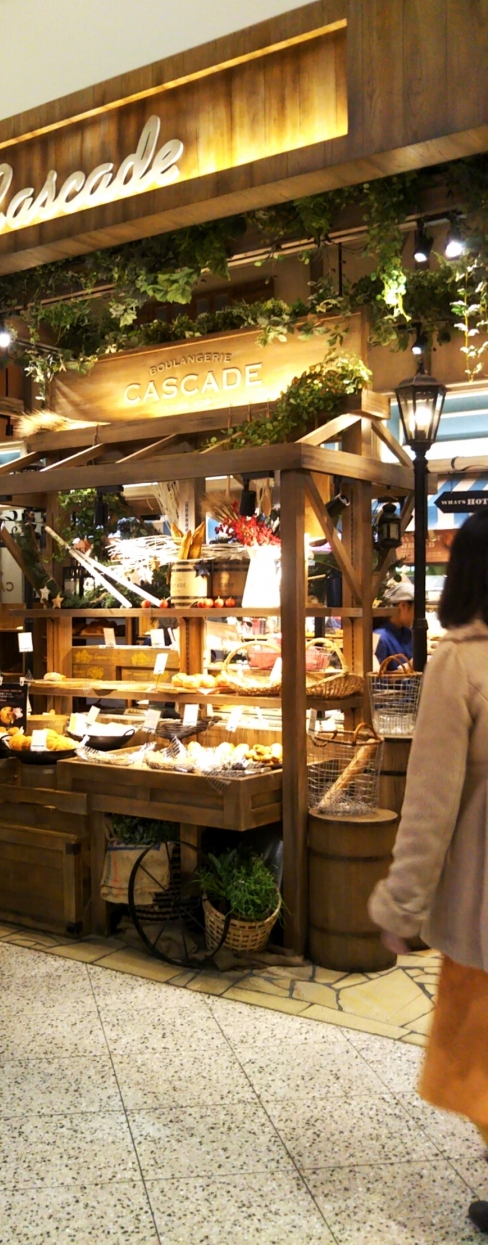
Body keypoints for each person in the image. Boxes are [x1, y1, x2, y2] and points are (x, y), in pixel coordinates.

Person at [369, 508, 488, 1235]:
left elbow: (430, 805)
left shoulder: (460, 662)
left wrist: (400, 906)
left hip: (482, 910)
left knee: (478, 1065)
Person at [373, 579, 414, 670]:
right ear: (403, 606)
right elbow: (375, 676)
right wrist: (405, 669)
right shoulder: (380, 637)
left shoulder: (408, 633)